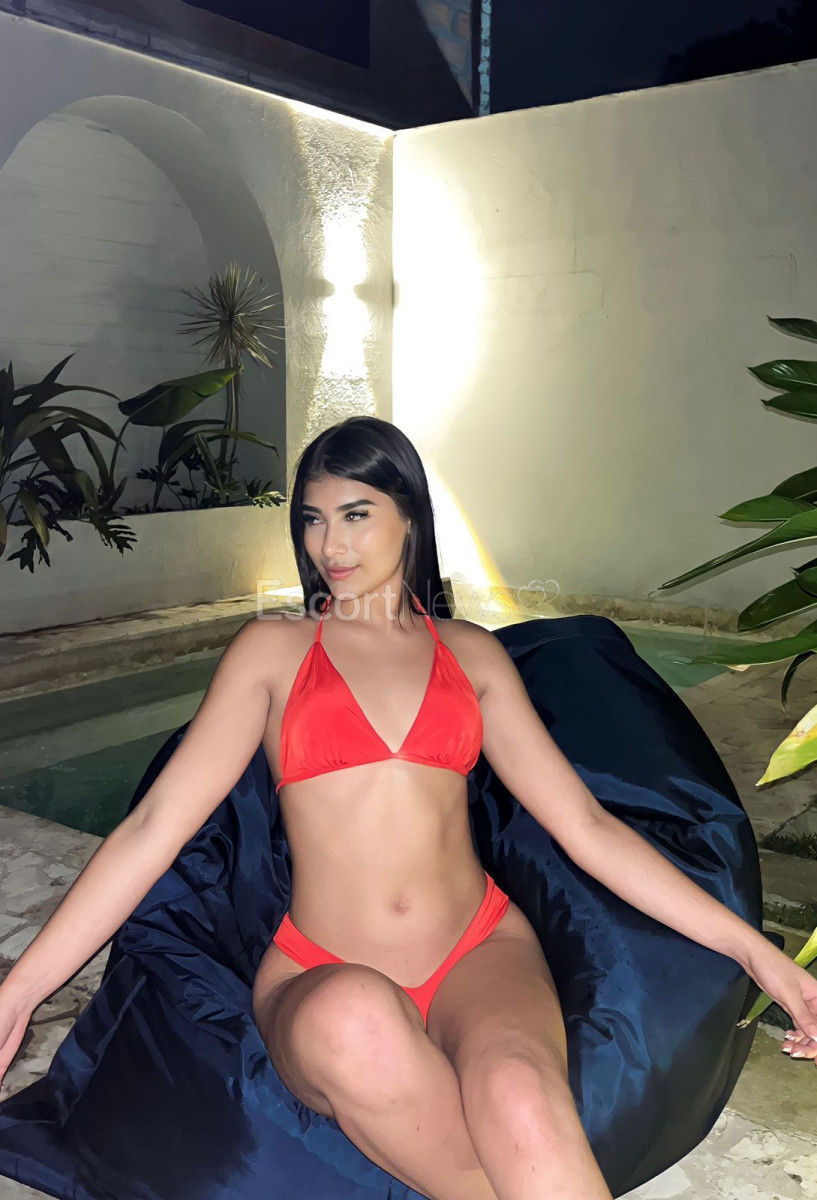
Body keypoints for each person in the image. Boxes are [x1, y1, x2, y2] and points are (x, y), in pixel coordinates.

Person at [0, 414, 815, 1200]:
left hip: (480, 951)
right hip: (321, 969)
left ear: (410, 517)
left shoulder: (472, 655)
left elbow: (587, 828)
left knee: (521, 1094)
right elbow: (152, 829)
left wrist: (756, 954)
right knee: (355, 1019)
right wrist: (22, 990)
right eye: (313, 518)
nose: (330, 544)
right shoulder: (273, 651)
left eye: (356, 514)